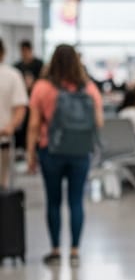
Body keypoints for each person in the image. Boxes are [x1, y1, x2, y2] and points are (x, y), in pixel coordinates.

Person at [26, 44, 104, 266]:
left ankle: (55, 250)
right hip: (80, 151)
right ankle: (75, 251)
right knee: (76, 201)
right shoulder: (89, 88)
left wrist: (31, 155)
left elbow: (33, 125)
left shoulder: (42, 87)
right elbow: (99, 122)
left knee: (53, 202)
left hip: (51, 150)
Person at [0, 39, 28, 187]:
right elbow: (20, 108)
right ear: (3, 53)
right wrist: (10, 127)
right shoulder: (13, 75)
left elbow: (20, 107)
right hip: (3, 138)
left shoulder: (12, 75)